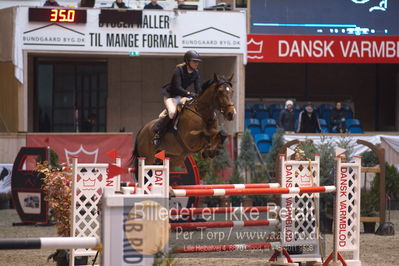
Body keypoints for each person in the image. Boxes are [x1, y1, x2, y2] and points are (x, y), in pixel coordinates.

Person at [152, 50, 202, 146]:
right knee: (172, 112)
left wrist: (200, 95)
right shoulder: (178, 70)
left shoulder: (196, 73)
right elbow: (177, 87)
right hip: (170, 95)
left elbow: (198, 88)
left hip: (181, 96)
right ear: (188, 61)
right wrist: (189, 93)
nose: (197, 63)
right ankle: (158, 133)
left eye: (197, 61)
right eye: (194, 61)